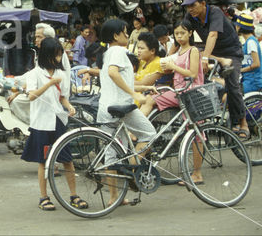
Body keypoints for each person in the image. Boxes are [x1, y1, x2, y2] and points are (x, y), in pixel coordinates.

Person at [22, 37, 86, 211]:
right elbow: (31, 95)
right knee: (43, 161)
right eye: (55, 56)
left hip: (58, 119)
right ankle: (44, 197)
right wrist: (49, 83)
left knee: (67, 159)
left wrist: (69, 107)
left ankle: (74, 195)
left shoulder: (61, 74)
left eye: (59, 56)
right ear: (46, 55)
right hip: (41, 122)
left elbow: (62, 97)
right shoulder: (35, 73)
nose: (58, 59)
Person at [97, 19, 156, 205]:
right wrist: (134, 94)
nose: (127, 35)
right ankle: (132, 169)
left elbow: (120, 78)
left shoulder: (108, 53)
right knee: (149, 134)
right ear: (116, 36)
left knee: (111, 154)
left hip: (106, 107)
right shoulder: (118, 51)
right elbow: (114, 73)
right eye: (124, 32)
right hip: (122, 106)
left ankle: (114, 198)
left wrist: (144, 86)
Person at [182, 0, 250, 139]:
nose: (190, 9)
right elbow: (182, 32)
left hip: (230, 51)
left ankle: (242, 121)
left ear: (203, 3)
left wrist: (205, 58)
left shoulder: (215, 12)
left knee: (232, 84)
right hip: (211, 51)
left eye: (193, 5)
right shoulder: (190, 16)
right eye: (187, 6)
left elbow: (213, 35)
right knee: (198, 81)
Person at [140, 19, 204, 117]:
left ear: (190, 33)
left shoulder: (193, 50)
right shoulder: (180, 51)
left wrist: (173, 66)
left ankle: (134, 131)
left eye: (182, 33)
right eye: (176, 33)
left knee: (149, 99)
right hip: (180, 91)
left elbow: (193, 74)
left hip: (189, 92)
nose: (179, 36)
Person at [236, 14, 262, 94]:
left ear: (240, 27)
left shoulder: (251, 42)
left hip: (253, 82)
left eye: (236, 25)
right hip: (248, 79)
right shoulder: (249, 41)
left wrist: (240, 70)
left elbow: (256, 64)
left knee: (229, 96)